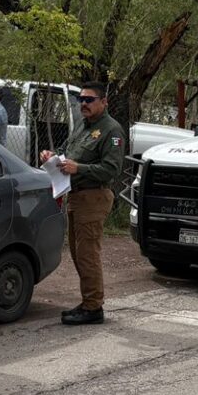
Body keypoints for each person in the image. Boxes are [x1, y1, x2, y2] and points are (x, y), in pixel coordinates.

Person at [40, 82, 124, 325]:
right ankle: (89, 301)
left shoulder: (111, 130)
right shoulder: (82, 126)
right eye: (81, 100)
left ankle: (93, 306)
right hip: (76, 195)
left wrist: (80, 168)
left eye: (89, 100)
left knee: (87, 254)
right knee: (78, 254)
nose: (84, 104)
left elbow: (112, 169)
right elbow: (68, 152)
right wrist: (52, 156)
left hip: (94, 196)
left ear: (103, 102)